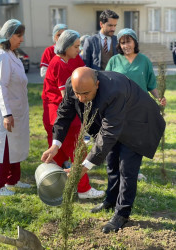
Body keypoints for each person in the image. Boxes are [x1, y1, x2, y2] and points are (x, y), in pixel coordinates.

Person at [41, 67, 165, 233]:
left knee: (126, 169)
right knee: (112, 163)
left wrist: (84, 166)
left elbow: (108, 133)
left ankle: (122, 214)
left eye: (85, 94)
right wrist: (55, 145)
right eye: (78, 94)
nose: (81, 98)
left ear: (97, 84)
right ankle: (111, 200)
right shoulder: (74, 85)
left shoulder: (115, 91)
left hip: (137, 123)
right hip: (114, 123)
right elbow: (64, 114)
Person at [42, 30, 105, 199]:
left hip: (59, 115)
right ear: (66, 46)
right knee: (78, 151)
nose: (79, 49)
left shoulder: (73, 58)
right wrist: (83, 117)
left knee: (61, 153)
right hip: (61, 116)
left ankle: (55, 184)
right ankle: (83, 189)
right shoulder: (59, 64)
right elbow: (67, 100)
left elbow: (86, 72)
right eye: (76, 46)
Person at [105, 28, 167, 181]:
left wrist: (160, 97)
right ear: (119, 44)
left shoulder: (144, 60)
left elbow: (151, 83)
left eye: (129, 41)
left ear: (135, 42)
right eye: (122, 42)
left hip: (140, 107)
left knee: (136, 139)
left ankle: (133, 170)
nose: (126, 45)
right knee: (119, 138)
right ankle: (119, 167)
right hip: (119, 107)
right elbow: (106, 83)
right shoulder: (114, 61)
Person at [0, 19, 30, 196]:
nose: (21, 39)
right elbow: (0, 85)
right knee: (5, 145)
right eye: (18, 36)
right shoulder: (1, 56)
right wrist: (6, 114)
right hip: (7, 110)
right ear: (8, 36)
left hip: (17, 108)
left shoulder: (12, 54)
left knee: (15, 144)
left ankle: (13, 180)